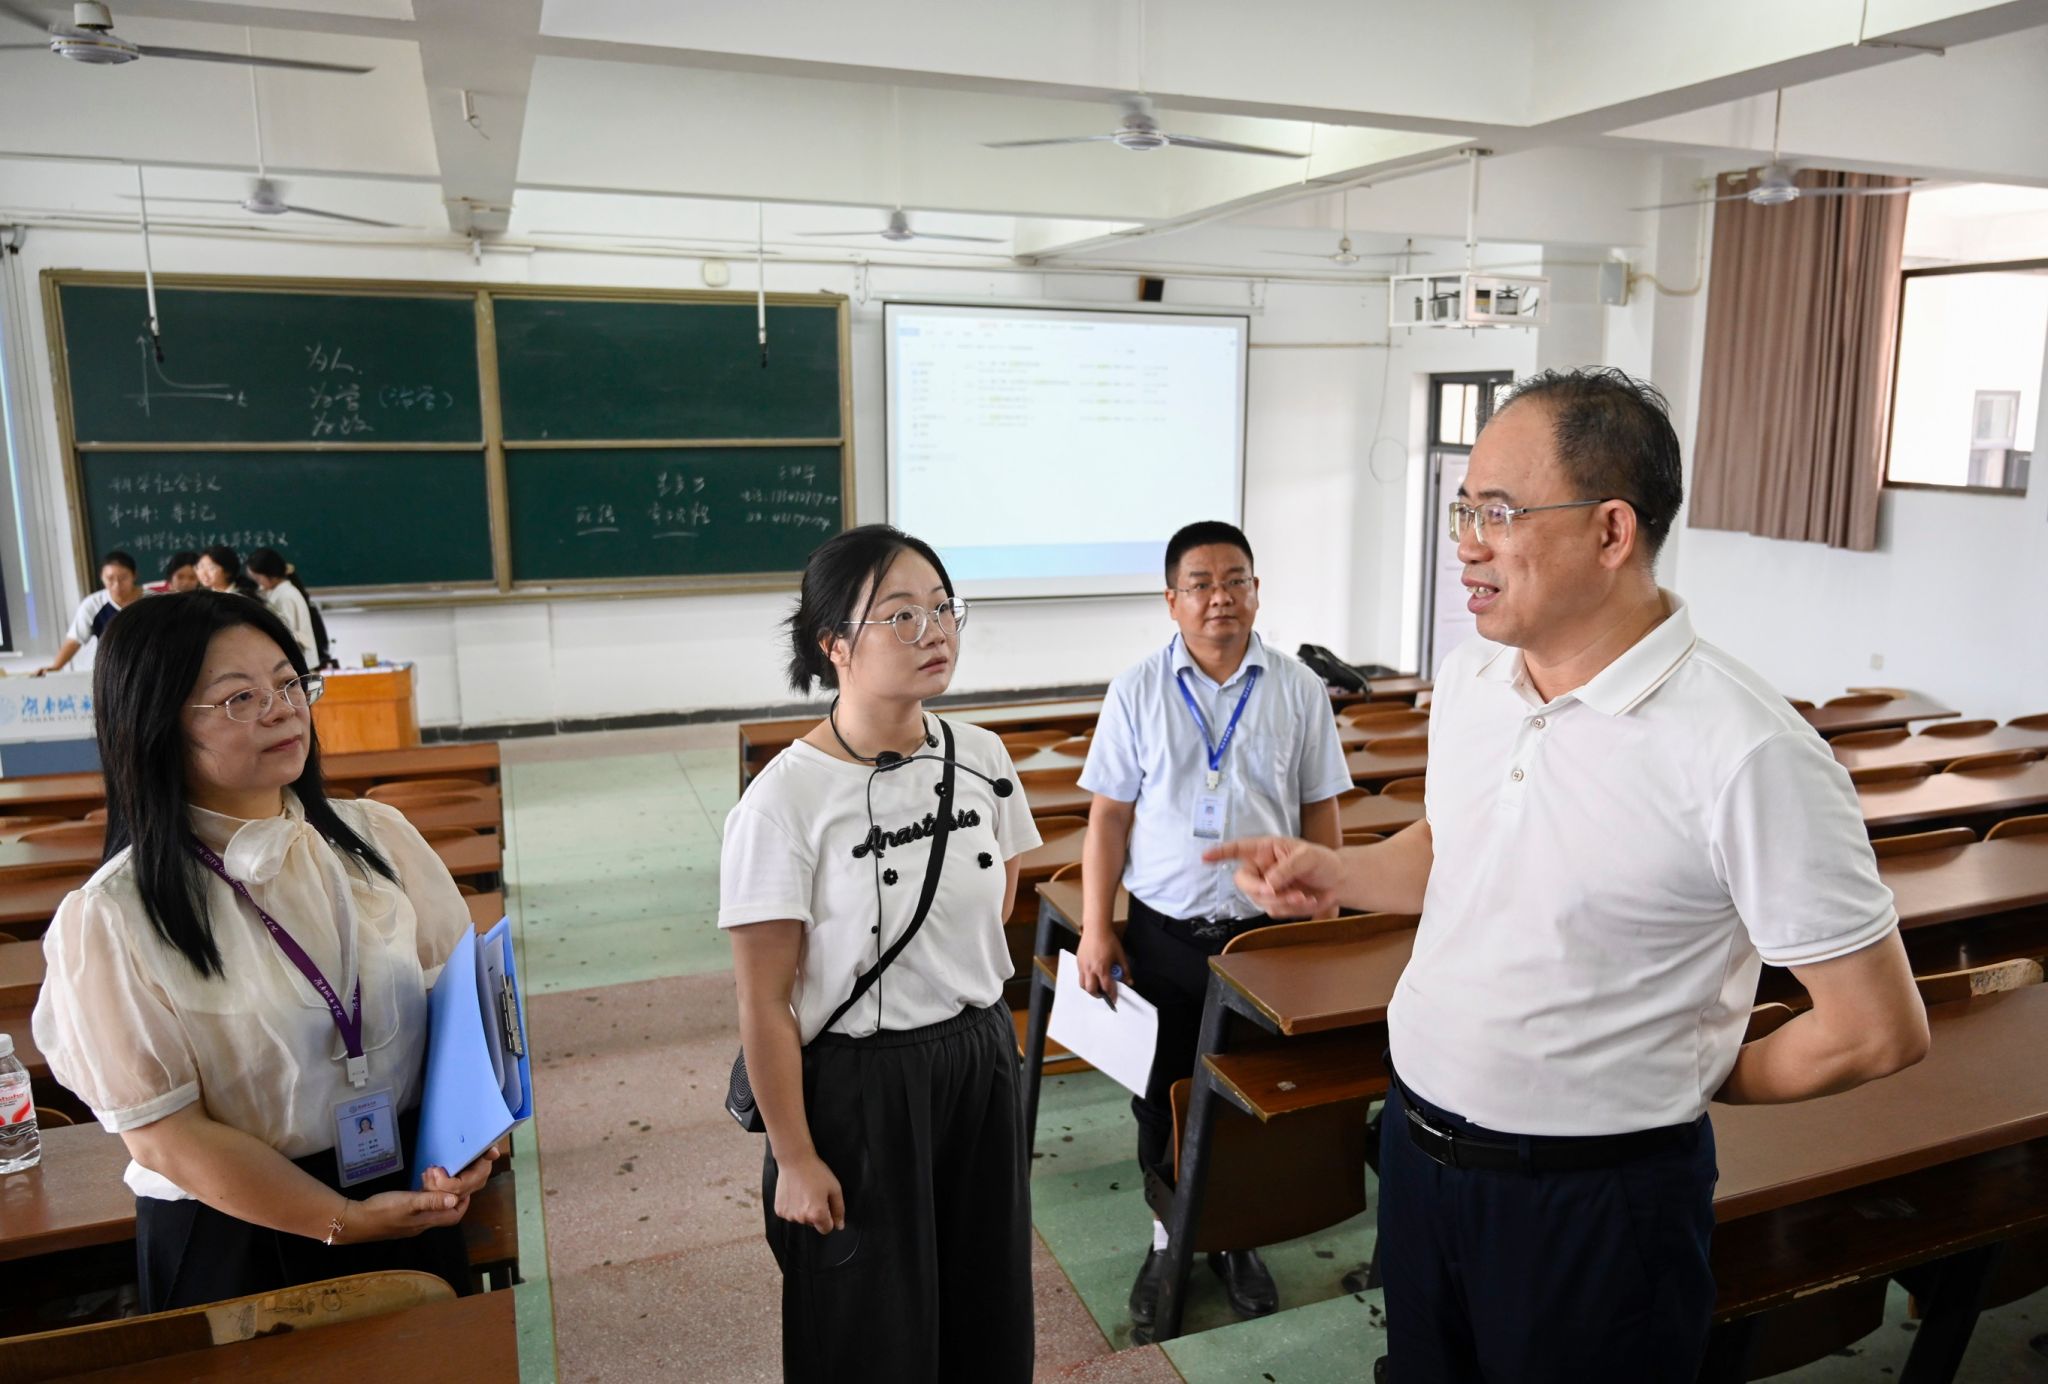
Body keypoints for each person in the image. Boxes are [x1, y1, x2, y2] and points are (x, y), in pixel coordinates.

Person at [1210, 368, 1930, 1383]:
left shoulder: (1745, 749)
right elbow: (1454, 847)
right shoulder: (1473, 679)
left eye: (1497, 513)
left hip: (1597, 1203)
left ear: (1610, 531)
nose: (1465, 543)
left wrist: (1701, 1074)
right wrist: (1338, 871)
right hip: (1416, 1154)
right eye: (1463, 510)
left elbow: (1875, 1027)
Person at [32, 591, 502, 1311]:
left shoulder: (376, 839)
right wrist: (340, 1221)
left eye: (289, 684)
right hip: (240, 1231)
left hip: (411, 1191)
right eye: (240, 698)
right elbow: (164, 1137)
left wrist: (472, 1144)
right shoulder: (112, 916)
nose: (282, 711)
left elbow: (458, 1015)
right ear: (156, 723)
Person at [719, 524, 1041, 1382]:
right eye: (900, 616)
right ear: (834, 644)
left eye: (942, 609)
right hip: (862, 1088)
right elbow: (764, 1002)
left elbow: (996, 904)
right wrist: (795, 1158)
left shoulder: (983, 757)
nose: (933, 632)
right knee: (869, 1332)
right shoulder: (782, 802)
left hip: (978, 1061)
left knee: (985, 1307)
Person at [1070, 519, 1350, 1335]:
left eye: (1236, 581)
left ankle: (1236, 1239)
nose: (1219, 597)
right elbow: (1108, 818)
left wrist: (1325, 917)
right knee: (1161, 1096)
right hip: (1164, 935)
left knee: (1251, 1098)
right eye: (1200, 584)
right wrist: (1096, 926)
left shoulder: (1297, 687)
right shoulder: (1137, 690)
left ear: (1257, 592)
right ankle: (1169, 1242)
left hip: (1262, 939)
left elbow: (1320, 808)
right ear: (1172, 601)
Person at [38, 550, 147, 675]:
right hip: (110, 671)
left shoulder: (152, 600)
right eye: (110, 579)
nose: (117, 585)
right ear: (101, 578)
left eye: (123, 578)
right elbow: (74, 640)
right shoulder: (93, 605)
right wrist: (55, 667)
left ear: (134, 575)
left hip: (147, 666)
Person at [246, 548, 328, 667]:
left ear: (272, 576)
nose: (258, 584)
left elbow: (286, 633)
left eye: (258, 579)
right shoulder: (276, 593)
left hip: (299, 665)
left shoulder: (286, 596)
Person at [195, 545, 260, 599]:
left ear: (228, 572)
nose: (203, 573)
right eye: (201, 566)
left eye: (211, 568)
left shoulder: (240, 598)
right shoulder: (203, 596)